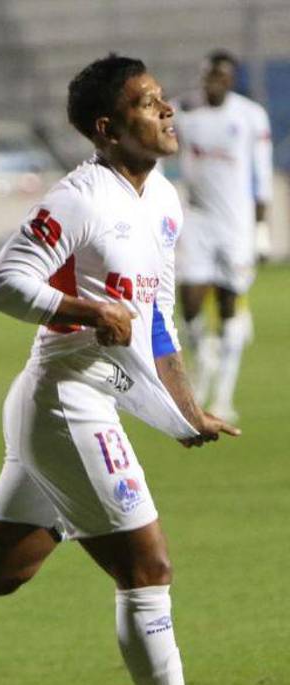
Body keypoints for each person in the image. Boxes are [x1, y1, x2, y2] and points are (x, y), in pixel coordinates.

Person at [0, 54, 275, 685]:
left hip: (78, 402)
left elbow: (158, 321)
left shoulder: (163, 200)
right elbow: (2, 284)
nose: (166, 112)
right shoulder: (82, 196)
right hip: (66, 399)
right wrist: (85, 308)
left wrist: (186, 409)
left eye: (164, 99)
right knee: (147, 566)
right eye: (147, 103)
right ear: (108, 128)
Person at [173, 51, 273, 423]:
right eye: (208, 75)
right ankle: (204, 364)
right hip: (197, 221)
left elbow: (261, 175)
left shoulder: (249, 116)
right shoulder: (185, 112)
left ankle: (224, 396)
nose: (214, 82)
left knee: (229, 306)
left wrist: (261, 231)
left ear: (232, 80)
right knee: (191, 302)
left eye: (221, 76)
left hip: (236, 225)